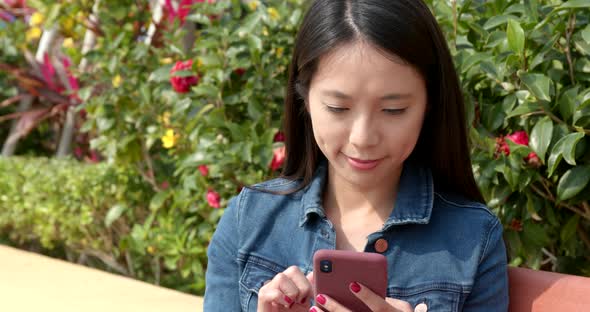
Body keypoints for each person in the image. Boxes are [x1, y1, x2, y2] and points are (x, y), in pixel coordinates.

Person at [204, 0, 509, 311]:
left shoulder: (474, 240)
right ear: (305, 98)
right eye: (338, 108)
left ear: (429, 104)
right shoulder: (249, 219)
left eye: (393, 110)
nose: (362, 138)